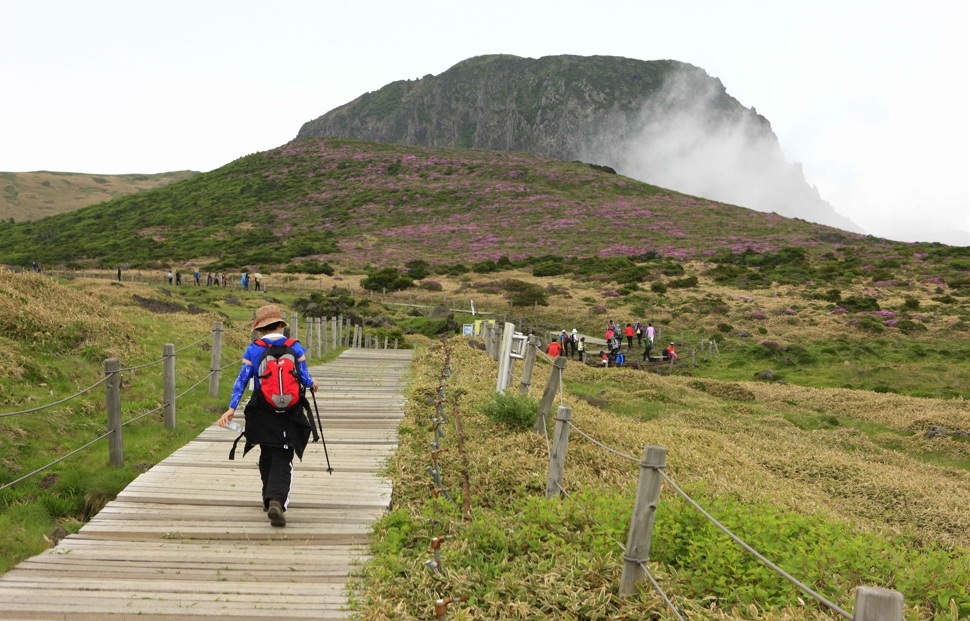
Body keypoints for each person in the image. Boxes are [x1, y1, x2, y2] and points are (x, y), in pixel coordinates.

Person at [218, 305, 318, 527]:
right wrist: (313, 384)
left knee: (266, 450)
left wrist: (232, 408)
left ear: (260, 328)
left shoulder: (253, 350)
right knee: (284, 454)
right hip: (290, 411)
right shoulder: (295, 347)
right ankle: (276, 500)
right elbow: (305, 377)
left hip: (262, 410)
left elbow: (241, 380)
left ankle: (268, 496)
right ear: (282, 325)